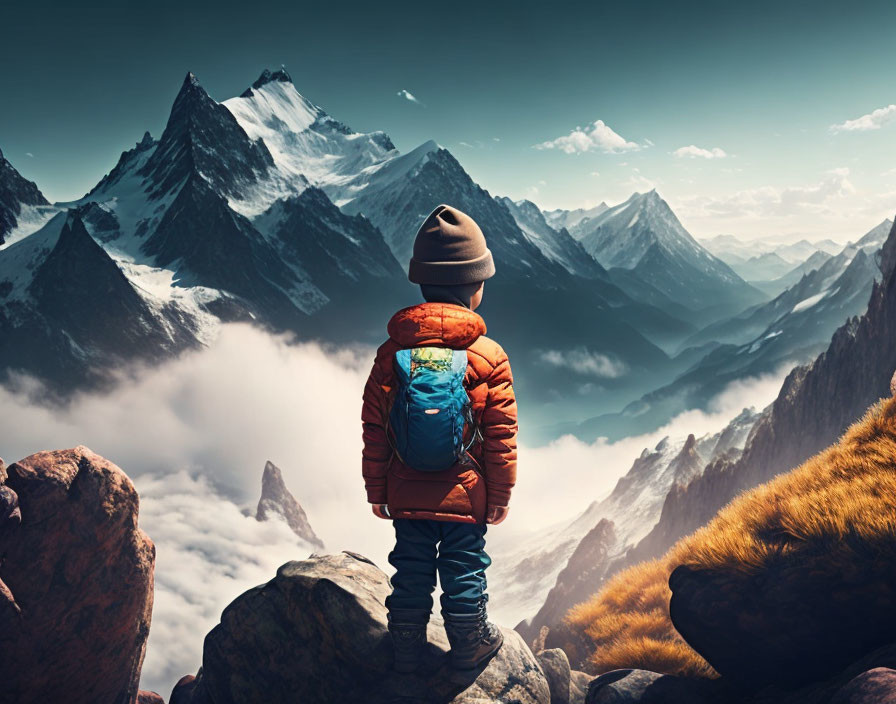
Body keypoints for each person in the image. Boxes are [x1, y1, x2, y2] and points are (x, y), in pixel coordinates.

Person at [361, 204, 518, 674]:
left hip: (405, 486)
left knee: (409, 567)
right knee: (464, 564)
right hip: (466, 489)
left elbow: (375, 429)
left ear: (422, 285)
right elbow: (501, 437)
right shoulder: (488, 357)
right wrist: (500, 494)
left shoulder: (391, 354)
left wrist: (377, 490)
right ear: (475, 289)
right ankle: (470, 640)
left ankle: (405, 647)